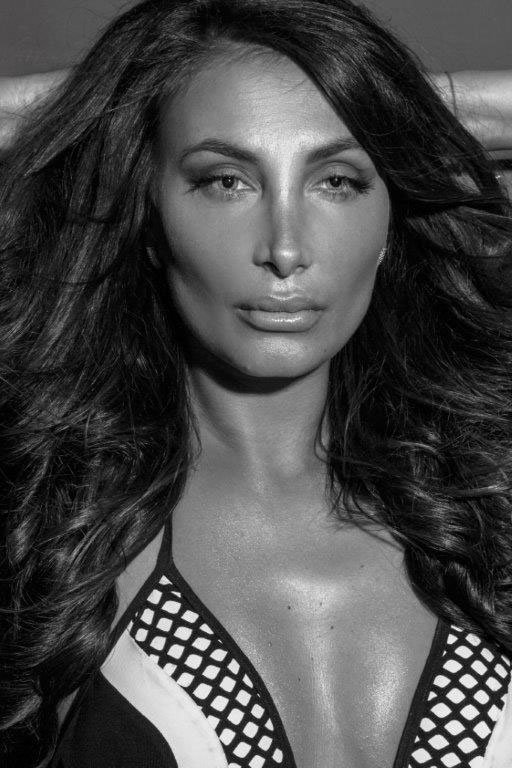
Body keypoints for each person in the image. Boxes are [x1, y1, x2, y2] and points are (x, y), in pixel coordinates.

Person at [1, 1, 511, 766]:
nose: (285, 248)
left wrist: (403, 103)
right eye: (226, 181)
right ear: (147, 214)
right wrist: (97, 108)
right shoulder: (52, 536)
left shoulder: (488, 501)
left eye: (336, 180)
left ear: (389, 222)